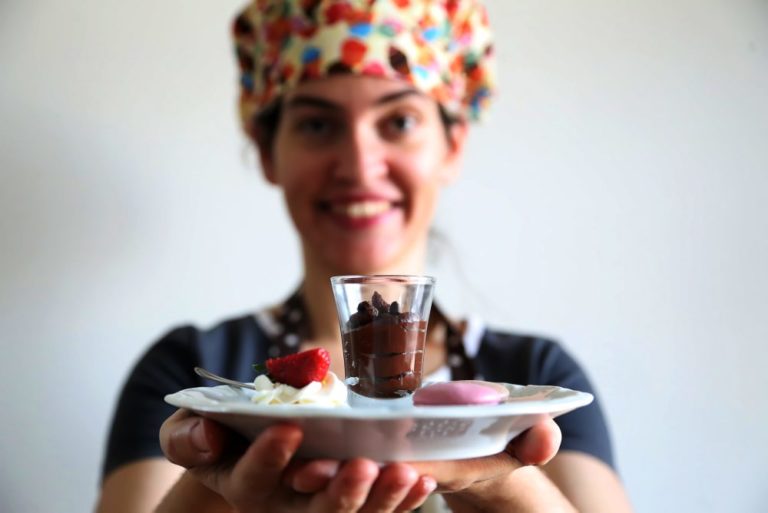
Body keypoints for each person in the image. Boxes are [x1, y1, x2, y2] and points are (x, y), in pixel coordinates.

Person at [96, 1, 633, 511]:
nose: (358, 163)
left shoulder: (533, 378)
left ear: (453, 147)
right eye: (317, 124)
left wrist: (496, 475)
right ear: (266, 152)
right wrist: (222, 475)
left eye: (398, 121)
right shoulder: (197, 374)